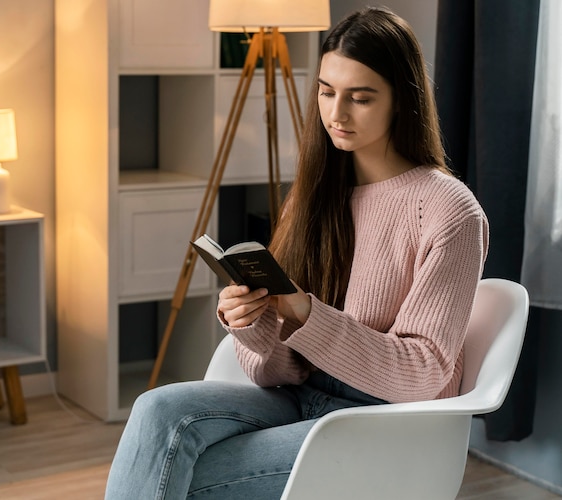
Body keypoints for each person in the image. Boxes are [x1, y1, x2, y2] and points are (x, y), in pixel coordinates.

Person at [105, 6, 489, 499]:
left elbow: (422, 373)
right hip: (300, 398)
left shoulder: (448, 210)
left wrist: (309, 313)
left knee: (177, 474)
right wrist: (253, 323)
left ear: (402, 101)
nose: (336, 114)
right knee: (157, 412)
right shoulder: (315, 194)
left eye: (361, 98)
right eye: (327, 92)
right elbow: (273, 371)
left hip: (385, 424)